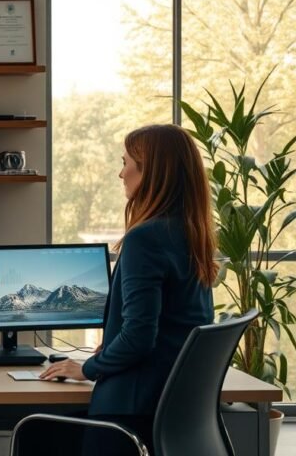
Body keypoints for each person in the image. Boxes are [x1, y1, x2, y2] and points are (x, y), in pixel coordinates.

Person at [40, 124, 217, 455]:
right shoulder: (192, 233)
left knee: (31, 431)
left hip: (128, 413)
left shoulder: (145, 239)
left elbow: (139, 336)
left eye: (126, 163)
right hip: (171, 411)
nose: (121, 174)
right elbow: (177, 324)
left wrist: (86, 369)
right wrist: (109, 350)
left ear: (150, 172)